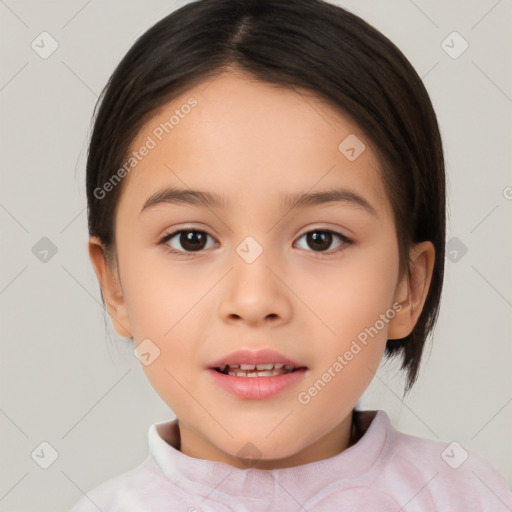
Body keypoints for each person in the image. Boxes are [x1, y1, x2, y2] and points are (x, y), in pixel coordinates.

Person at [71, 0, 512, 510]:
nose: (255, 300)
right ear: (115, 285)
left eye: (320, 239)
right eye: (191, 239)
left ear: (407, 287)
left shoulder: (471, 496)